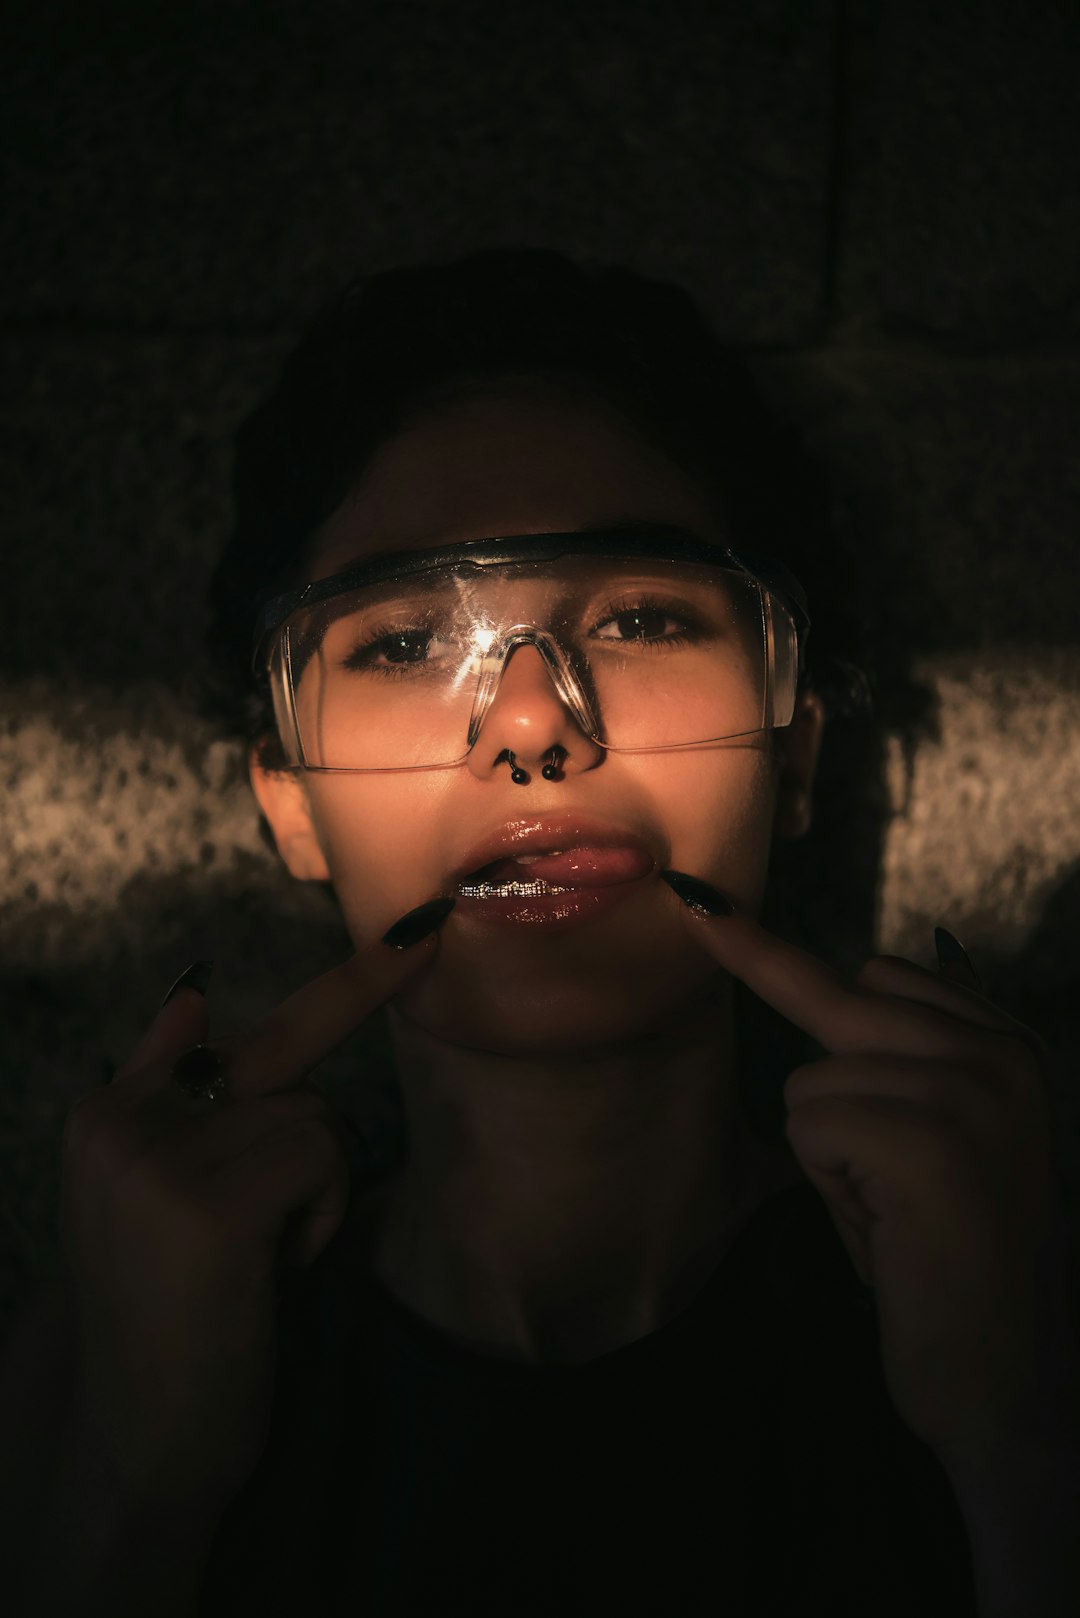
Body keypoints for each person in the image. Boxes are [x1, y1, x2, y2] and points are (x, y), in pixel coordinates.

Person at [7, 249, 1075, 1618]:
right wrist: (133, 1482)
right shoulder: (94, 1366)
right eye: (400, 641)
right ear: (288, 801)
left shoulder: (1020, 1304)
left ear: (797, 755)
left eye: (638, 617)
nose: (531, 724)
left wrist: (1027, 1444)